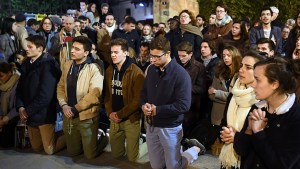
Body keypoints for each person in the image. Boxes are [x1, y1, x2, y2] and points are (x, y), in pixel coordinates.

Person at [140, 36, 206, 169]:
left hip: (170, 127)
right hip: (151, 125)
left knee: (173, 166)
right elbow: (144, 92)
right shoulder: (152, 69)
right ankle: (176, 152)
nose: (152, 60)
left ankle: (193, 150)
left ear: (168, 53)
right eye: (151, 56)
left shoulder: (181, 75)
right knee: (157, 166)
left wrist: (157, 110)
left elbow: (183, 105)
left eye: (157, 57)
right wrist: (143, 105)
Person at [234, 57, 300, 168]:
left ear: (275, 84)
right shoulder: (258, 107)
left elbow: (282, 165)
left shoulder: (295, 117)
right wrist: (249, 130)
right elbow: (241, 150)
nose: (252, 84)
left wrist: (259, 133)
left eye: (257, 80)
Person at [57, 36, 107, 159]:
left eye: (77, 49)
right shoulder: (68, 65)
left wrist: (75, 108)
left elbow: (94, 95)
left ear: (86, 53)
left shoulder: (94, 68)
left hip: (86, 115)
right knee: (73, 152)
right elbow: (61, 86)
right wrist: (64, 105)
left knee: (90, 155)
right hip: (69, 114)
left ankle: (104, 138)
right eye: (73, 48)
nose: (72, 51)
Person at [16, 35, 65, 155]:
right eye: (26, 46)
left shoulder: (48, 65)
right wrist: (21, 107)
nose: (26, 49)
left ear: (40, 49)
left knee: (49, 149)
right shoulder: (26, 64)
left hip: (44, 114)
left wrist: (27, 111)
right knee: (36, 148)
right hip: (30, 114)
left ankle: (71, 137)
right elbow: (19, 89)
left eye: (30, 46)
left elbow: (45, 96)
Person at [219, 50, 267, 168]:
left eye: (248, 67)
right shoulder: (233, 94)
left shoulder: (262, 101)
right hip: (227, 160)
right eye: (241, 65)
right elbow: (223, 122)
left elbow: (261, 139)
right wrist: (224, 133)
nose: (241, 70)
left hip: (248, 161)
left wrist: (236, 137)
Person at [104, 38, 145, 162]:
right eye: (111, 52)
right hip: (114, 117)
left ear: (126, 53)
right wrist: (110, 113)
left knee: (133, 158)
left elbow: (136, 101)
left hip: (131, 119)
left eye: (116, 52)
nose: (112, 55)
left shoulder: (136, 72)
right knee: (117, 155)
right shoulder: (110, 70)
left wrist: (120, 114)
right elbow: (107, 95)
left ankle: (147, 143)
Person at [176, 41, 206, 137]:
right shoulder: (176, 65)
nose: (181, 58)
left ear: (190, 54)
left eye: (183, 56)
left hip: (191, 107)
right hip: (177, 104)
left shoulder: (199, 67)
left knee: (187, 134)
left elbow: (201, 88)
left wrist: (184, 88)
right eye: (179, 56)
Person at [209, 46, 242, 127]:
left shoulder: (240, 74)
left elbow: (237, 98)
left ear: (234, 56)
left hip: (233, 116)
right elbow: (211, 96)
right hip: (218, 116)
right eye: (224, 56)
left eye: (228, 55)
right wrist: (228, 98)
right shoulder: (219, 72)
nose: (226, 58)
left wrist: (217, 92)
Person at [0, 62, 20, 148]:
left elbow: (17, 107)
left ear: (9, 73)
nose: (0, 79)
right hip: (4, 118)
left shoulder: (18, 84)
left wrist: (4, 119)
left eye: (1, 76)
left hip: (15, 117)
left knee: (5, 143)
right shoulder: (2, 86)